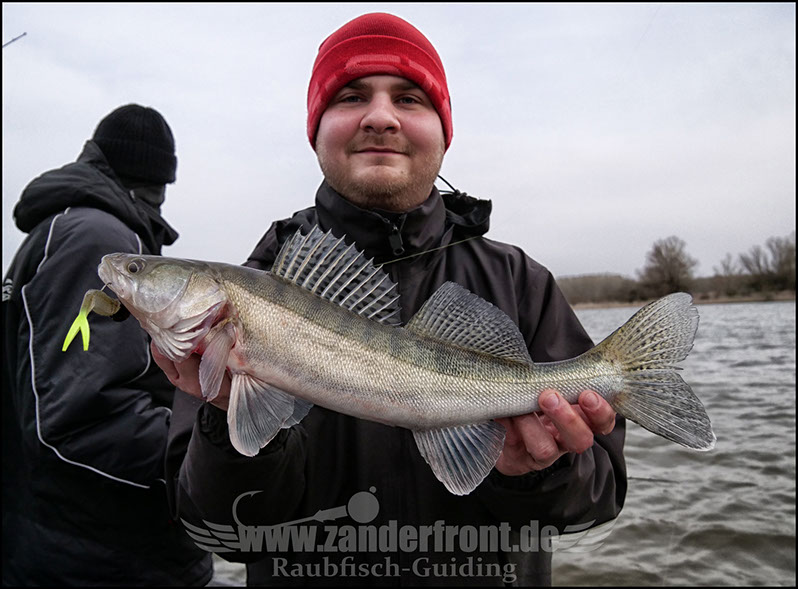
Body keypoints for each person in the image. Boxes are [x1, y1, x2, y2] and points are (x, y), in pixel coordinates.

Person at [160, 13, 627, 586]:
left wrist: (534, 472)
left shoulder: (518, 281)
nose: (380, 117)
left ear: (443, 131)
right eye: (351, 96)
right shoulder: (260, 284)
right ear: (316, 130)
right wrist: (227, 420)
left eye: (409, 99)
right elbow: (217, 528)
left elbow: (599, 499)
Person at [2, 104, 213, 585]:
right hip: (104, 558)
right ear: (160, 175)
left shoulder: (65, 230)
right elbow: (80, 419)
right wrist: (205, 452)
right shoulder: (97, 240)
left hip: (59, 543)